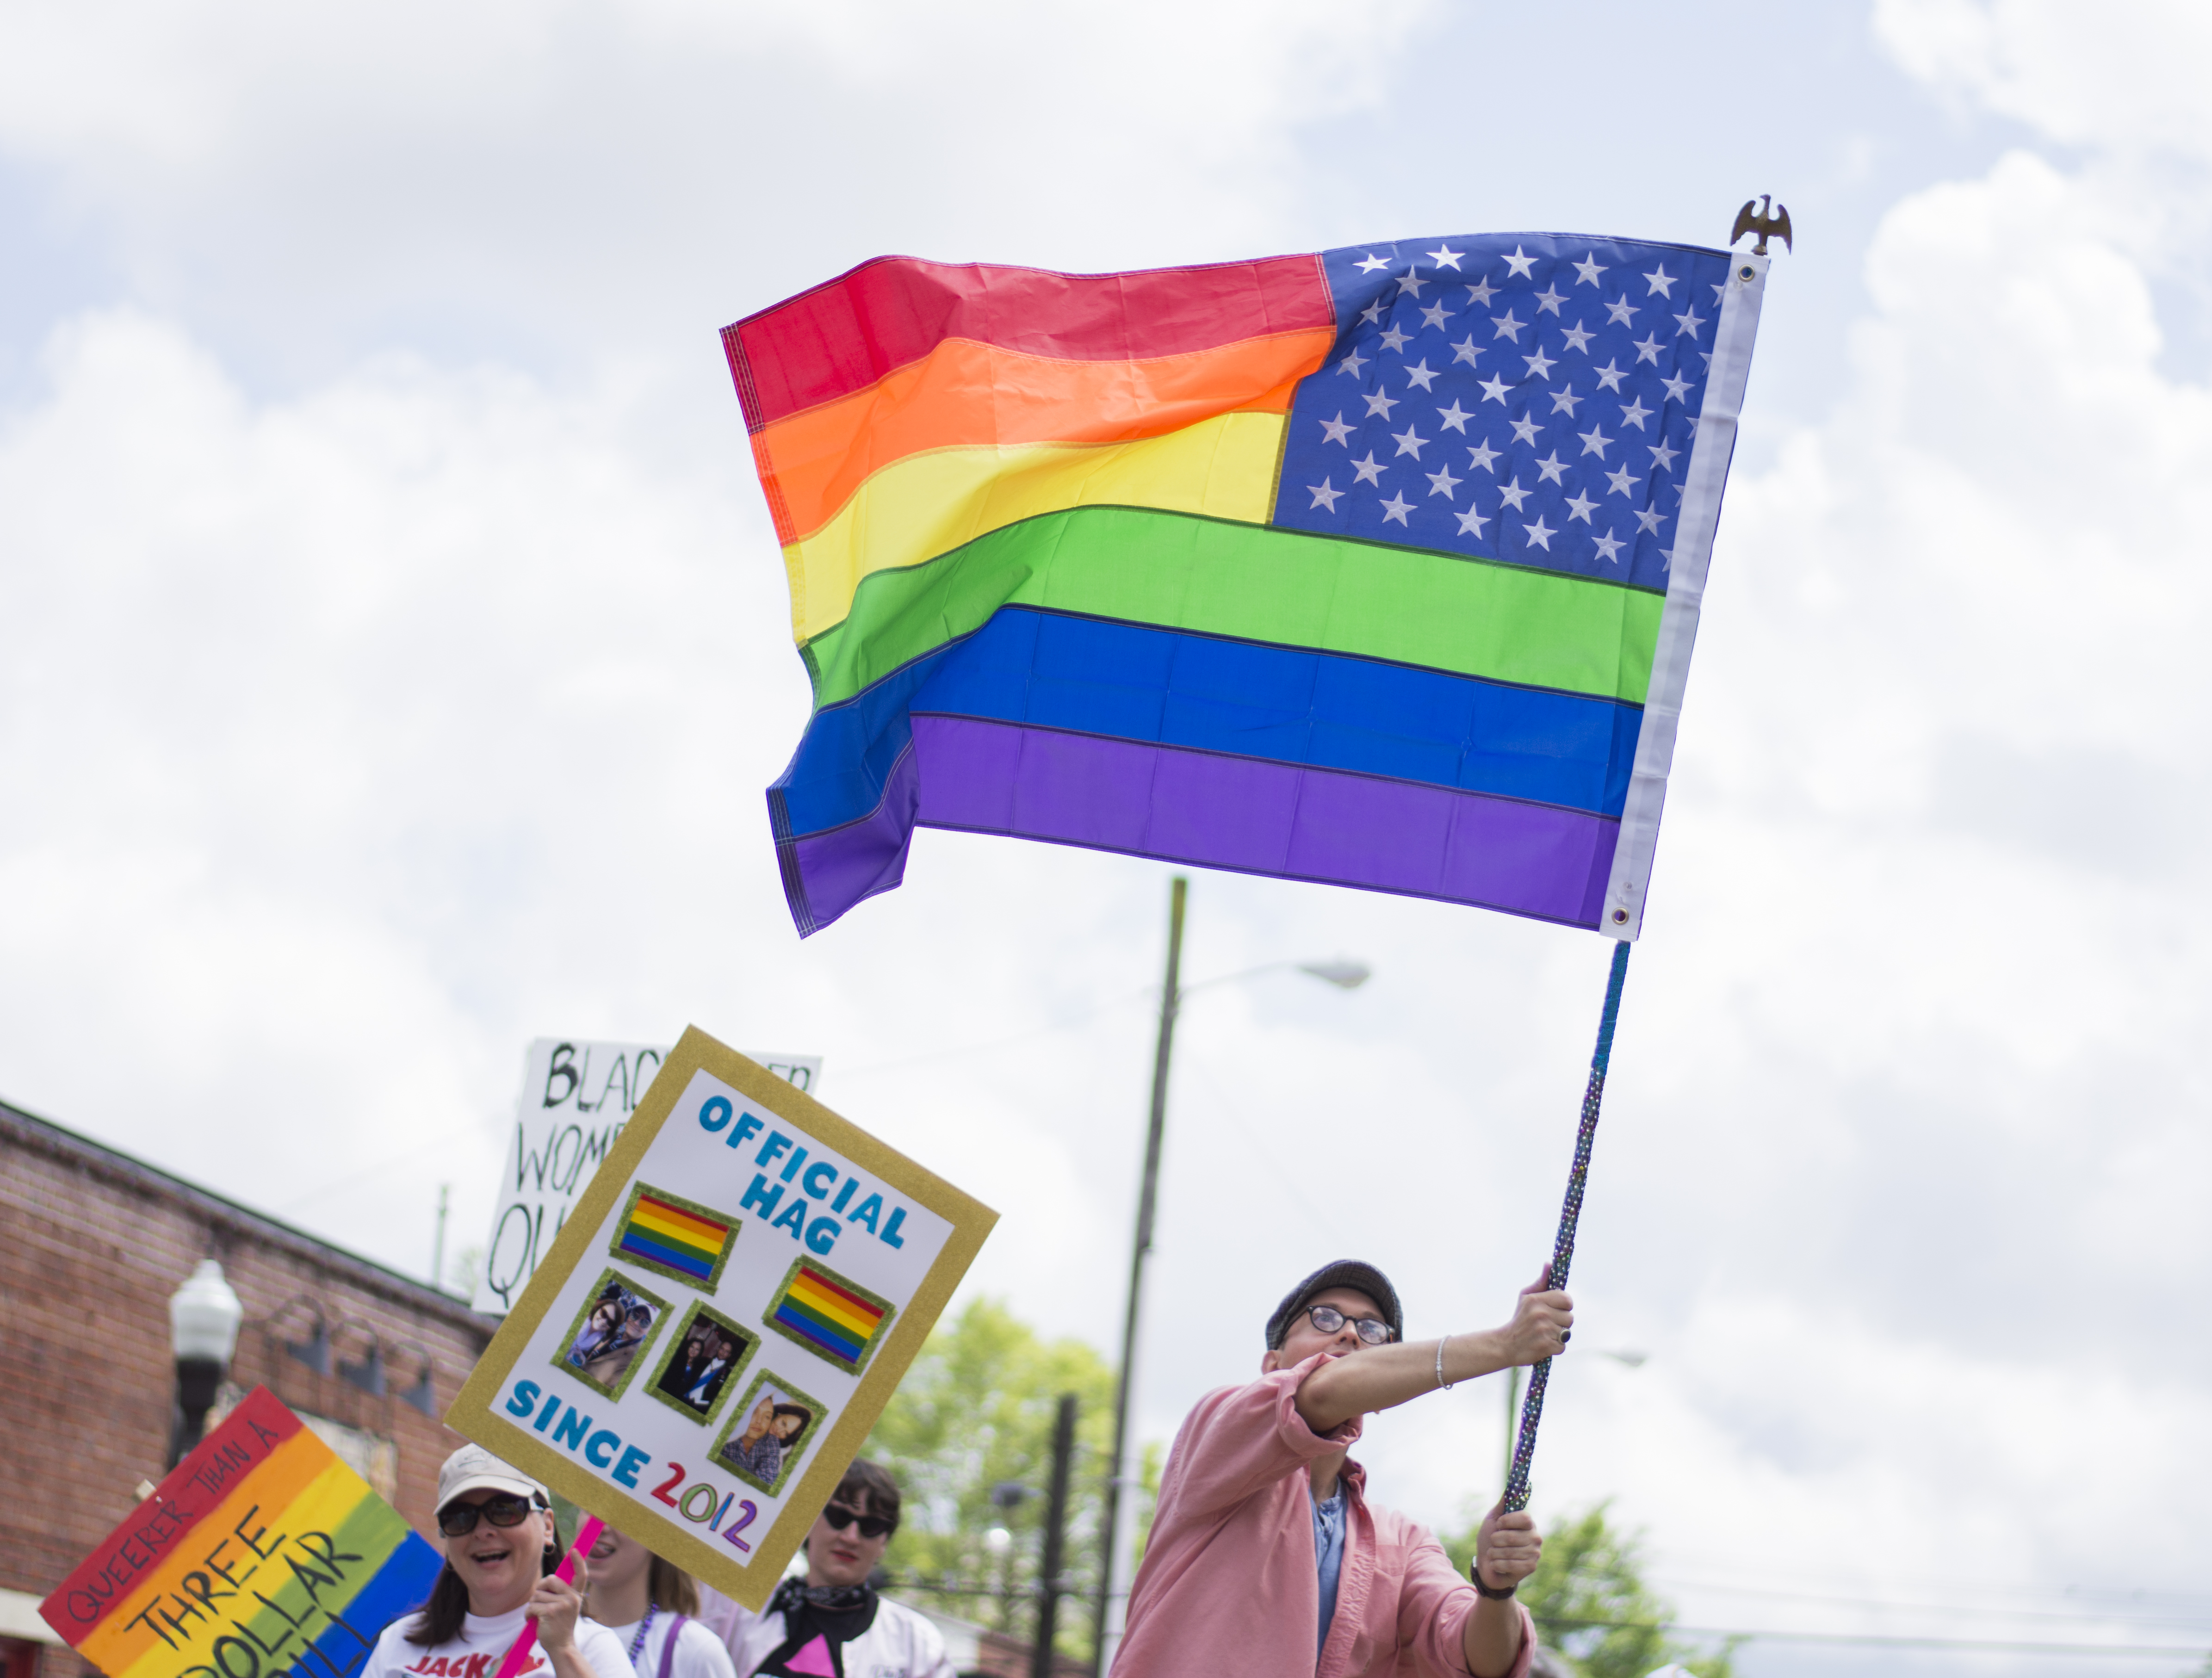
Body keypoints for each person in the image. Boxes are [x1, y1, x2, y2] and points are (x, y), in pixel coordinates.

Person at [1114, 1259, 1573, 1678]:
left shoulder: (1404, 1544)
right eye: (1325, 1318)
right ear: (1271, 1365)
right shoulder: (1215, 1430)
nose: (1351, 1334)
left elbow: (1481, 1661)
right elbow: (1317, 1395)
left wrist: (1495, 1591)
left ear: (1385, 1389)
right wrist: (1504, 1344)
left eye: (1373, 1330)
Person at [363, 1444, 632, 1678]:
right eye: (460, 1517)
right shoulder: (398, 1642)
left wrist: (563, 1651)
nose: (483, 1531)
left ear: (548, 1526)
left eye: (504, 1510)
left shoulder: (591, 1646)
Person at [703, 1462, 952, 1678]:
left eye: (871, 1525)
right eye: (839, 1517)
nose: (851, 1537)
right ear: (808, 1519)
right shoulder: (736, 1606)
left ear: (884, 1542)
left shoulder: (917, 1643)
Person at [582, 1526, 738, 1678]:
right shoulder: (559, 1624)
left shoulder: (697, 1651)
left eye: (621, 1512)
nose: (600, 1526)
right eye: (590, 1507)